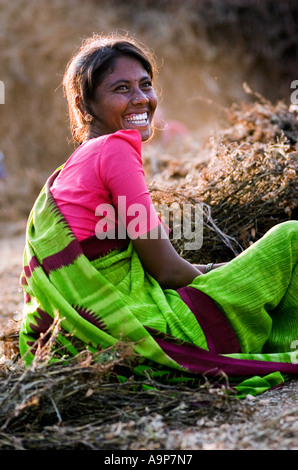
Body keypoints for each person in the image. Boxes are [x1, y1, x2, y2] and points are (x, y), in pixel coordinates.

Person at [19, 33, 298, 396]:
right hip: (147, 330)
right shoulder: (115, 148)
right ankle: (275, 341)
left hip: (90, 336)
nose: (141, 99)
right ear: (84, 105)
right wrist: (220, 272)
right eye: (121, 88)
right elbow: (166, 270)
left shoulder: (69, 168)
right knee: (290, 237)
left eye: (146, 85)